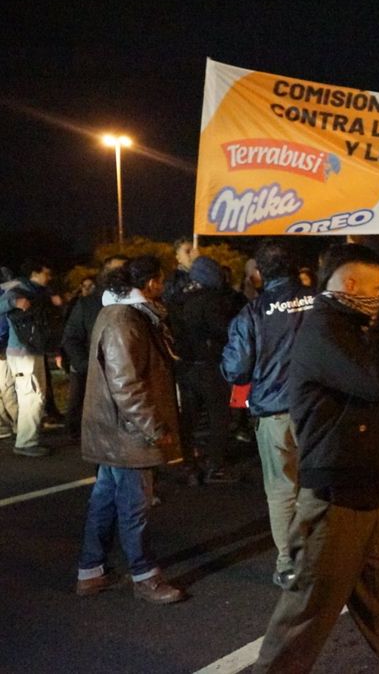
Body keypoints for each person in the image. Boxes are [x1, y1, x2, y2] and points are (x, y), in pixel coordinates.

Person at [253, 246, 379, 673]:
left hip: (370, 489)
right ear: (350, 285)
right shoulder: (324, 329)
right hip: (336, 497)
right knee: (305, 616)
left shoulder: (350, 327)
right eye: (377, 289)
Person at [76, 255, 185, 604]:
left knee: (105, 501)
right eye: (161, 281)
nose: (164, 287)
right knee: (135, 506)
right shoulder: (126, 319)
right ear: (150, 282)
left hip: (114, 429)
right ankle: (144, 575)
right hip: (128, 432)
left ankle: (91, 572)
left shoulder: (119, 313)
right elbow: (126, 384)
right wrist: (155, 427)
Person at [221, 241, 314, 588]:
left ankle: (289, 561)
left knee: (281, 489)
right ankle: (323, 551)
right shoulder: (319, 301)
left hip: (274, 411)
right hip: (318, 409)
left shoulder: (252, 313)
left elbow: (236, 369)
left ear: (259, 273)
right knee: (318, 483)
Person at [176, 256, 244, 483]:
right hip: (211, 367)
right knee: (219, 418)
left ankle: (189, 465)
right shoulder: (213, 300)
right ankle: (216, 465)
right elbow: (224, 331)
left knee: (189, 419)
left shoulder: (180, 300)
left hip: (186, 367)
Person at [61, 255, 128, 441]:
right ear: (106, 274)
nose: (121, 274)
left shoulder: (135, 303)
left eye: (125, 269)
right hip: (94, 373)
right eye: (116, 270)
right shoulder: (88, 304)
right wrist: (84, 365)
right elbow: (71, 337)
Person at [0, 259, 59, 456]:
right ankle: (26, 442)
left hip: (33, 349)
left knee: (36, 395)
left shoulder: (37, 290)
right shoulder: (18, 287)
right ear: (35, 272)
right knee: (31, 396)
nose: (49, 277)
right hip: (22, 351)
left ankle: (27, 438)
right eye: (46, 272)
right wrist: (14, 302)